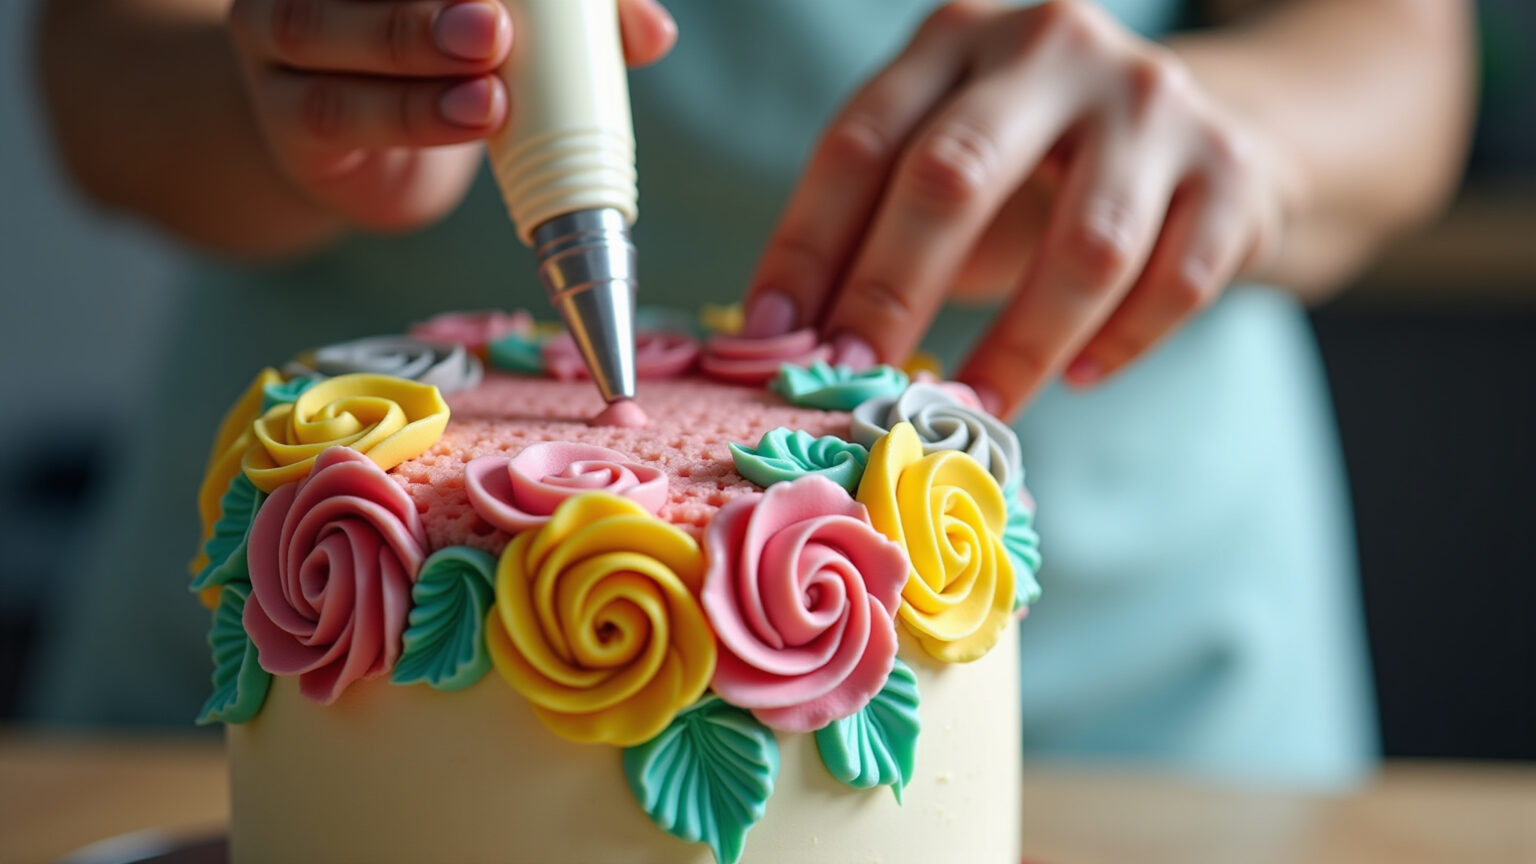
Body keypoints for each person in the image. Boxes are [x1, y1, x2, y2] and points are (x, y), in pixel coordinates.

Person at [29, 0, 1473, 787]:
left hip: (1138, 691)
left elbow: (1409, 59)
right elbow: (97, 74)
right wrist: (296, 96)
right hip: (306, 669)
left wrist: (1236, 134)